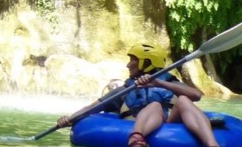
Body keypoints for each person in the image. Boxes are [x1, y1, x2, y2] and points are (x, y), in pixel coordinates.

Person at [56, 43, 219, 147]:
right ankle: (136, 139)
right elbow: (92, 108)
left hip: (170, 121)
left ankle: (212, 144)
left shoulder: (169, 81)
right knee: (154, 105)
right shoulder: (124, 90)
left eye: (133, 60)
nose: (128, 64)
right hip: (136, 123)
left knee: (183, 100)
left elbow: (196, 95)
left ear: (146, 62)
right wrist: (70, 119)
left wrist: (158, 83)